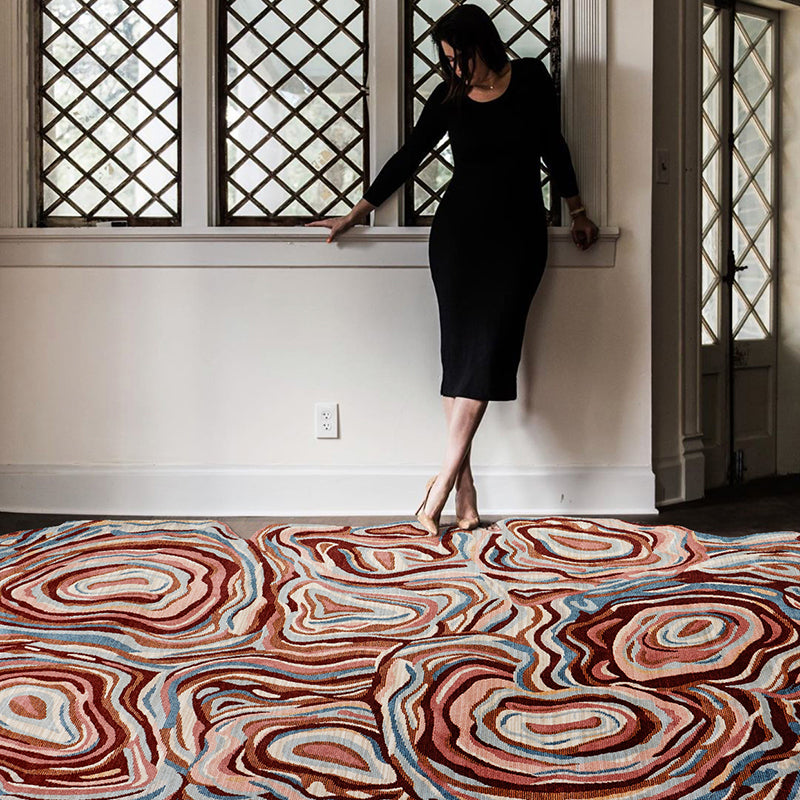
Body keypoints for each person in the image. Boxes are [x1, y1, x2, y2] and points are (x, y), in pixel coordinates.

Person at [305, 4, 599, 535]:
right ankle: (465, 497)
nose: (454, 69)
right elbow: (409, 155)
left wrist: (577, 210)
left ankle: (438, 485)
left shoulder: (531, 77)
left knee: (488, 352)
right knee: (460, 358)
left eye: (458, 58)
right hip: (459, 240)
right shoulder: (450, 99)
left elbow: (554, 148)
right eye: (446, 61)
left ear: (481, 45)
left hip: (517, 238)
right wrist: (354, 214)